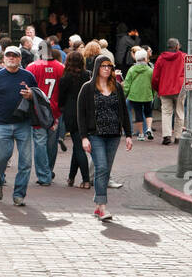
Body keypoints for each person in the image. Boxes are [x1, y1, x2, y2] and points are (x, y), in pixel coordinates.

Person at [76, 53, 133, 222]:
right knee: (100, 168)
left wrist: (128, 135)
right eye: (104, 66)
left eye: (110, 66)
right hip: (95, 135)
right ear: (97, 68)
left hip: (114, 135)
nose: (107, 69)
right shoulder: (87, 87)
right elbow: (81, 114)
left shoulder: (117, 87)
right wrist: (84, 137)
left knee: (105, 171)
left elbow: (123, 111)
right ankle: (102, 207)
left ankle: (97, 205)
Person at [0, 46, 38, 206]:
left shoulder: (28, 76)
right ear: (4, 58)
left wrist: (31, 95)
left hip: (23, 124)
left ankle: (19, 194)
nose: (12, 58)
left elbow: (38, 96)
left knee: (26, 162)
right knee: (0, 159)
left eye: (15, 56)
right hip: (1, 124)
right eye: (9, 55)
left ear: (20, 59)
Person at [26, 45, 65, 185]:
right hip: (55, 110)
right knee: (51, 142)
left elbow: (25, 88)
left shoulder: (32, 67)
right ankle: (49, 170)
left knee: (39, 142)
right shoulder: (61, 67)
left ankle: (44, 175)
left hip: (38, 111)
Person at [58, 51, 92, 188]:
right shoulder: (87, 75)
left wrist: (61, 108)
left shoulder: (65, 77)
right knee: (78, 145)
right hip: (85, 111)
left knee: (78, 147)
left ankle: (86, 179)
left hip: (71, 112)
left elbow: (61, 97)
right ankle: (71, 177)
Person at [151, 38, 186, 145]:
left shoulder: (161, 58)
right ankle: (178, 136)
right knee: (179, 112)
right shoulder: (183, 57)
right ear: (177, 46)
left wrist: (157, 89)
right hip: (179, 88)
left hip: (165, 88)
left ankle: (167, 136)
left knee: (166, 113)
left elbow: (155, 77)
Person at [123, 48, 156, 141]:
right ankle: (149, 129)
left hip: (135, 96)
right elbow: (154, 84)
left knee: (138, 114)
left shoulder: (132, 70)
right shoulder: (150, 70)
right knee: (148, 113)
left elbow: (127, 84)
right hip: (147, 95)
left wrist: (125, 94)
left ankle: (141, 134)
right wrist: (153, 94)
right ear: (145, 58)